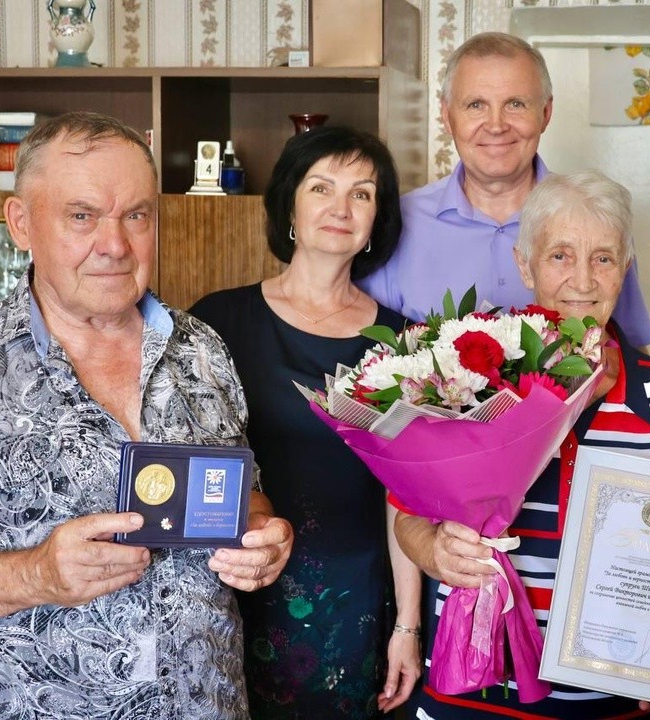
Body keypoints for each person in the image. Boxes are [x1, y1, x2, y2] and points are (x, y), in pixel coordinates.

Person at [0, 111, 294, 718]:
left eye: (136, 216)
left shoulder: (202, 348)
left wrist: (264, 538)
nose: (115, 245)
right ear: (20, 224)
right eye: (82, 216)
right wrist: (34, 574)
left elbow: (243, 497)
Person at [393, 170, 650, 720]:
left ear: (624, 270)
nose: (583, 279)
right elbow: (406, 513)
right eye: (560, 256)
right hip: (471, 692)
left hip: (611, 703)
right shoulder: (464, 376)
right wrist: (432, 549)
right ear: (524, 265)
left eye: (603, 258)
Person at [190, 126, 422, 719]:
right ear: (290, 203)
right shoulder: (216, 322)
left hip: (356, 599)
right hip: (234, 588)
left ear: (377, 219)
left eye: (362, 194)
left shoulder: (403, 343)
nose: (341, 208)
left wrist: (409, 628)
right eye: (322, 187)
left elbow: (410, 496)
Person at [360, 32, 650, 350]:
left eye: (516, 104)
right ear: (447, 116)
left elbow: (628, 351)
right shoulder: (395, 221)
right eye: (476, 105)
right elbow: (367, 358)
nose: (496, 125)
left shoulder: (596, 219)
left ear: (545, 113)